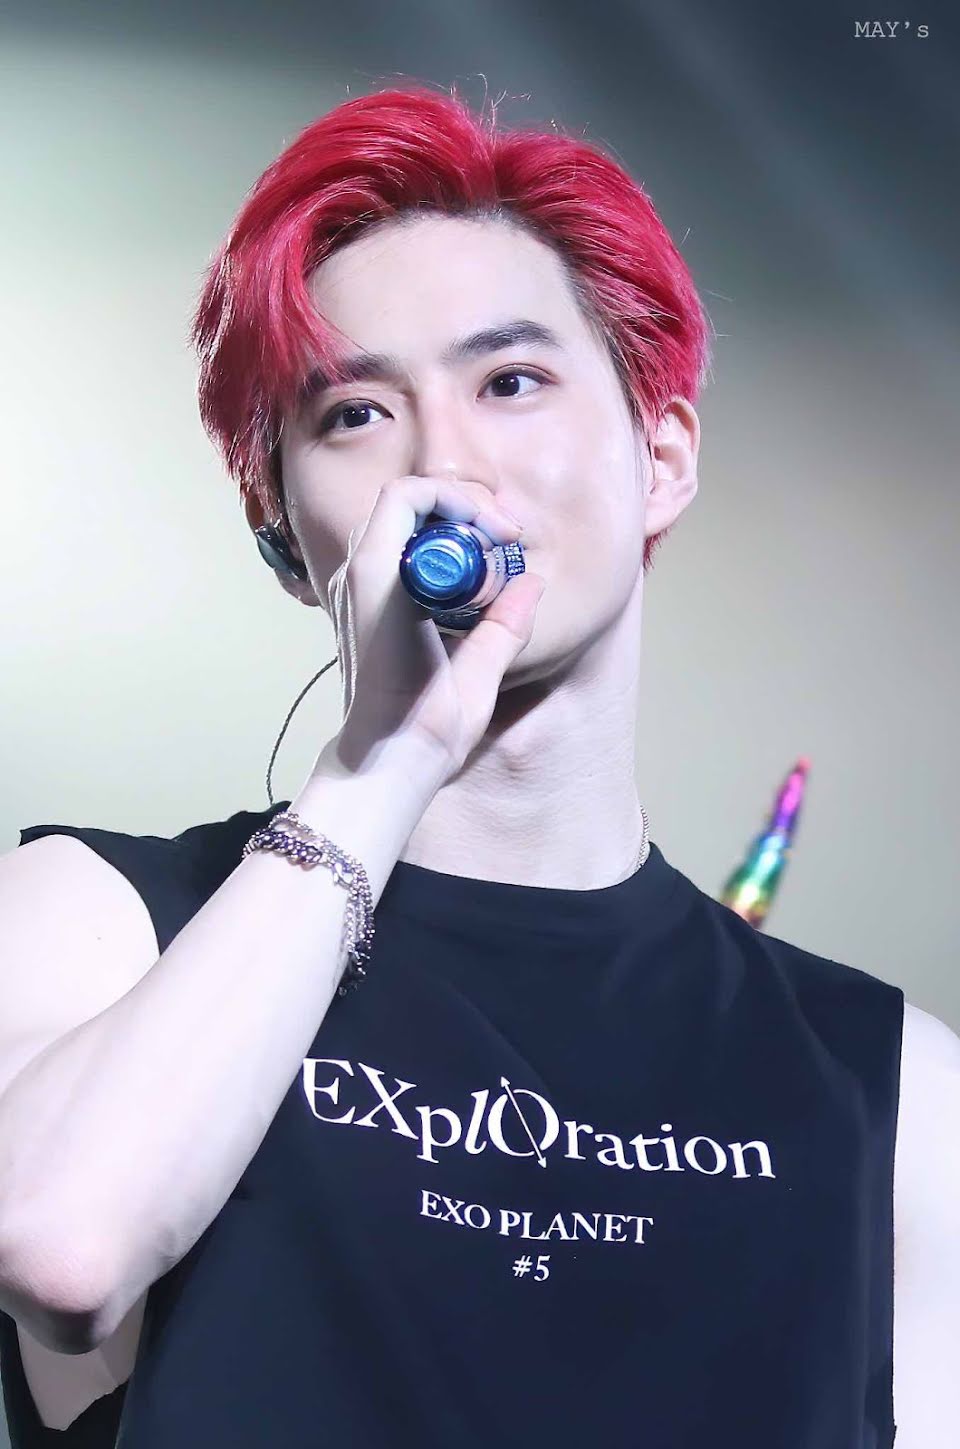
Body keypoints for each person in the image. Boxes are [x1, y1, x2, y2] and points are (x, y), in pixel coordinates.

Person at [0, 81, 956, 1449]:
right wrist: (383, 763)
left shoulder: (892, 1088)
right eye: (353, 414)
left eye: (511, 382)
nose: (444, 465)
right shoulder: (98, 923)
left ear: (662, 456)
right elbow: (62, 1251)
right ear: (282, 533)